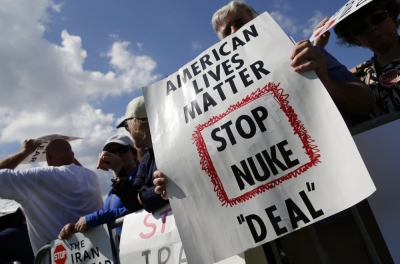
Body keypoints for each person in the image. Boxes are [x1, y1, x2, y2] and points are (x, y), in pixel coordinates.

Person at [152, 0, 376, 198]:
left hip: (349, 193)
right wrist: (177, 180)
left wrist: (325, 81)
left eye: (240, 23)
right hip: (286, 218)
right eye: (225, 32)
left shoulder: (306, 55)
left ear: (259, 22)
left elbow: (366, 103)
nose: (234, 32)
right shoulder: (215, 102)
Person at [0, 139, 103, 255]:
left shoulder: (37, 178)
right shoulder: (91, 176)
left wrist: (25, 152)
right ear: (73, 155)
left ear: (48, 158)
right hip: (96, 254)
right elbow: (77, 170)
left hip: (57, 258)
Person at [59, 134, 142, 263]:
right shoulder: (113, 190)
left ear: (134, 154)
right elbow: (110, 218)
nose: (117, 155)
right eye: (111, 153)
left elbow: (137, 208)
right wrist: (76, 227)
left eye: (122, 150)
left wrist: (93, 218)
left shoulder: (140, 176)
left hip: (140, 249)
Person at [333, 0, 400, 120]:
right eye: (361, 29)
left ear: (391, 15)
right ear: (355, 39)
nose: (372, 28)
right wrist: (318, 47)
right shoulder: (360, 76)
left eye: (377, 18)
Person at [113, 96, 169, 213]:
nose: (129, 131)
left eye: (128, 126)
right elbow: (134, 203)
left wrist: (146, 194)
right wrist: (119, 172)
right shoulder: (146, 159)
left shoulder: (174, 147)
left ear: (138, 123)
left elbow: (168, 190)